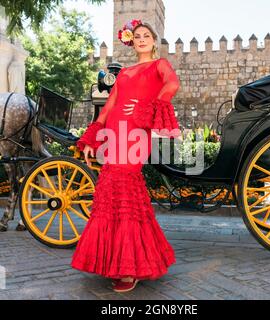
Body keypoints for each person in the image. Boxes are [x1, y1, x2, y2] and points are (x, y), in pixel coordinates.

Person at [71, 18, 181, 293]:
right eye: (138, 36)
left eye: (147, 35)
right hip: (115, 131)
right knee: (111, 192)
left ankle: (130, 267)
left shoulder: (160, 65)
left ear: (154, 41)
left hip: (135, 132)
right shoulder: (125, 73)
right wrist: (91, 137)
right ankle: (118, 261)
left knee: (125, 188)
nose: (142, 39)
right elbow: (108, 107)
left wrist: (146, 108)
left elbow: (172, 85)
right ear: (132, 42)